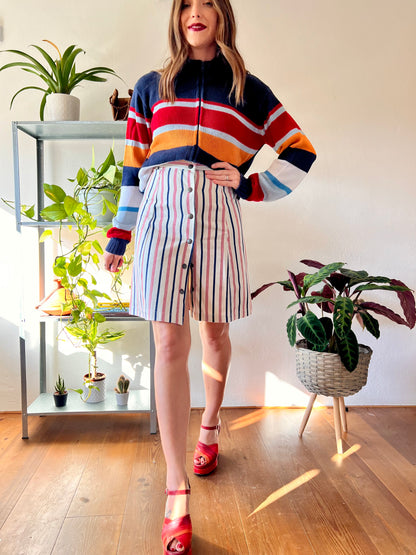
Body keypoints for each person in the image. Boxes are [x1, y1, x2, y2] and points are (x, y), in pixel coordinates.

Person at [104, 0, 316, 552]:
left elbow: (300, 150)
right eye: (185, 5)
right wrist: (119, 237)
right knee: (168, 342)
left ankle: (211, 424)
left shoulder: (250, 90)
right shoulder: (151, 86)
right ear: (177, 18)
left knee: (214, 333)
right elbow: (132, 167)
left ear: (222, 15)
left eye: (206, 4)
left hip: (218, 217)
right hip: (160, 215)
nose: (195, 12)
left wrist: (247, 184)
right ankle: (177, 488)